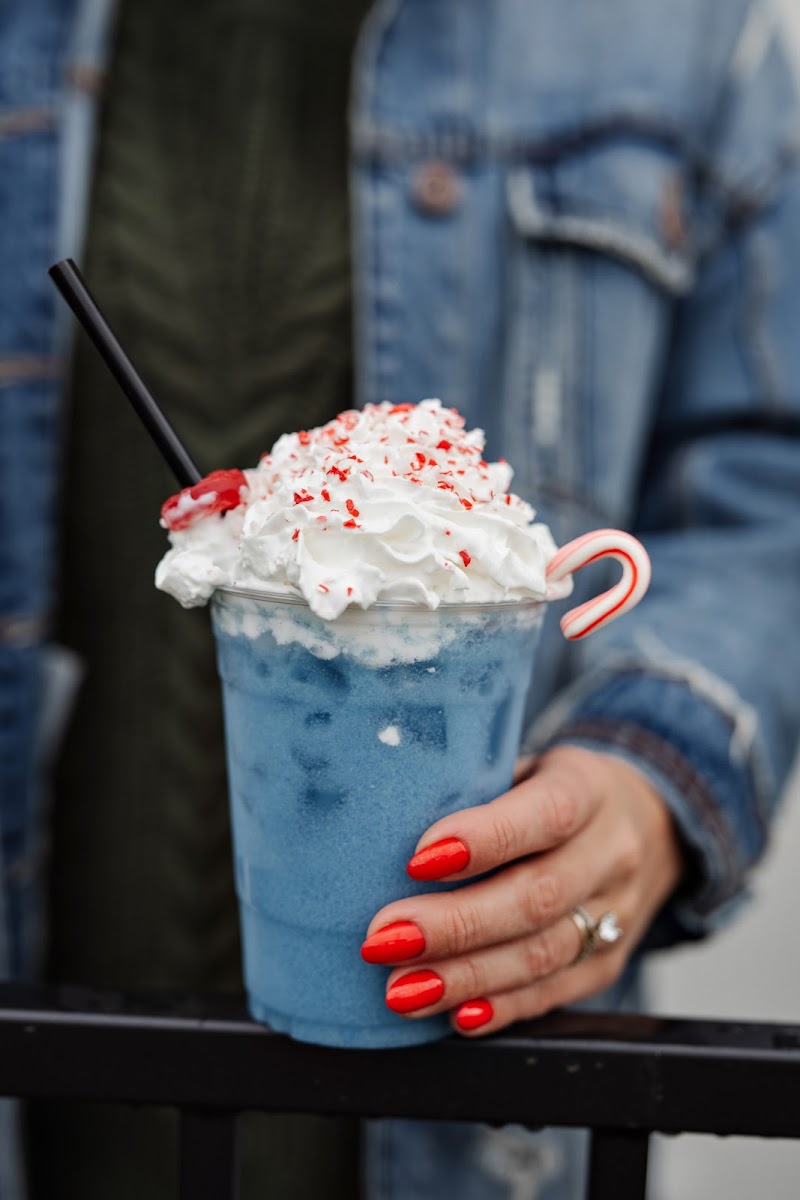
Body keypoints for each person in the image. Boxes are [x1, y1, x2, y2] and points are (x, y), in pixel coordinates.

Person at [2, 0, 799, 1197]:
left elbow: (768, 485)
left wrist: (645, 773)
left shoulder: (684, 30)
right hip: (51, 1069)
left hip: (479, 1128)